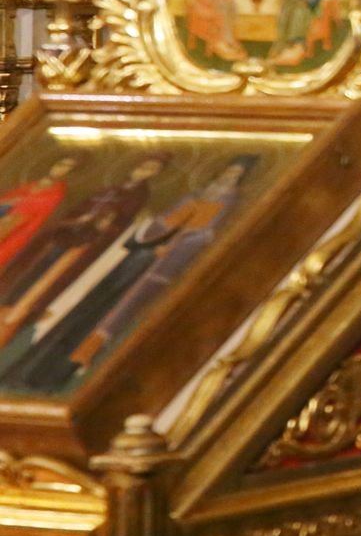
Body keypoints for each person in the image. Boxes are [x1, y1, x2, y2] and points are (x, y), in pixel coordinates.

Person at [1, 156, 256, 394]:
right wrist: (151, 231)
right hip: (136, 255)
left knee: (103, 315)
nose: (229, 177)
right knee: (83, 308)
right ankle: (23, 371)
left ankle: (51, 377)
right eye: (228, 171)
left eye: (236, 174)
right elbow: (162, 222)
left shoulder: (227, 201)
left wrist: (170, 243)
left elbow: (203, 234)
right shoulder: (194, 195)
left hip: (156, 266)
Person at [0, 157, 79, 275]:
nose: (61, 168)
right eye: (60, 163)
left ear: (71, 173)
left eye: (68, 167)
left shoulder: (54, 193)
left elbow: (13, 221)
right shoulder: (32, 184)